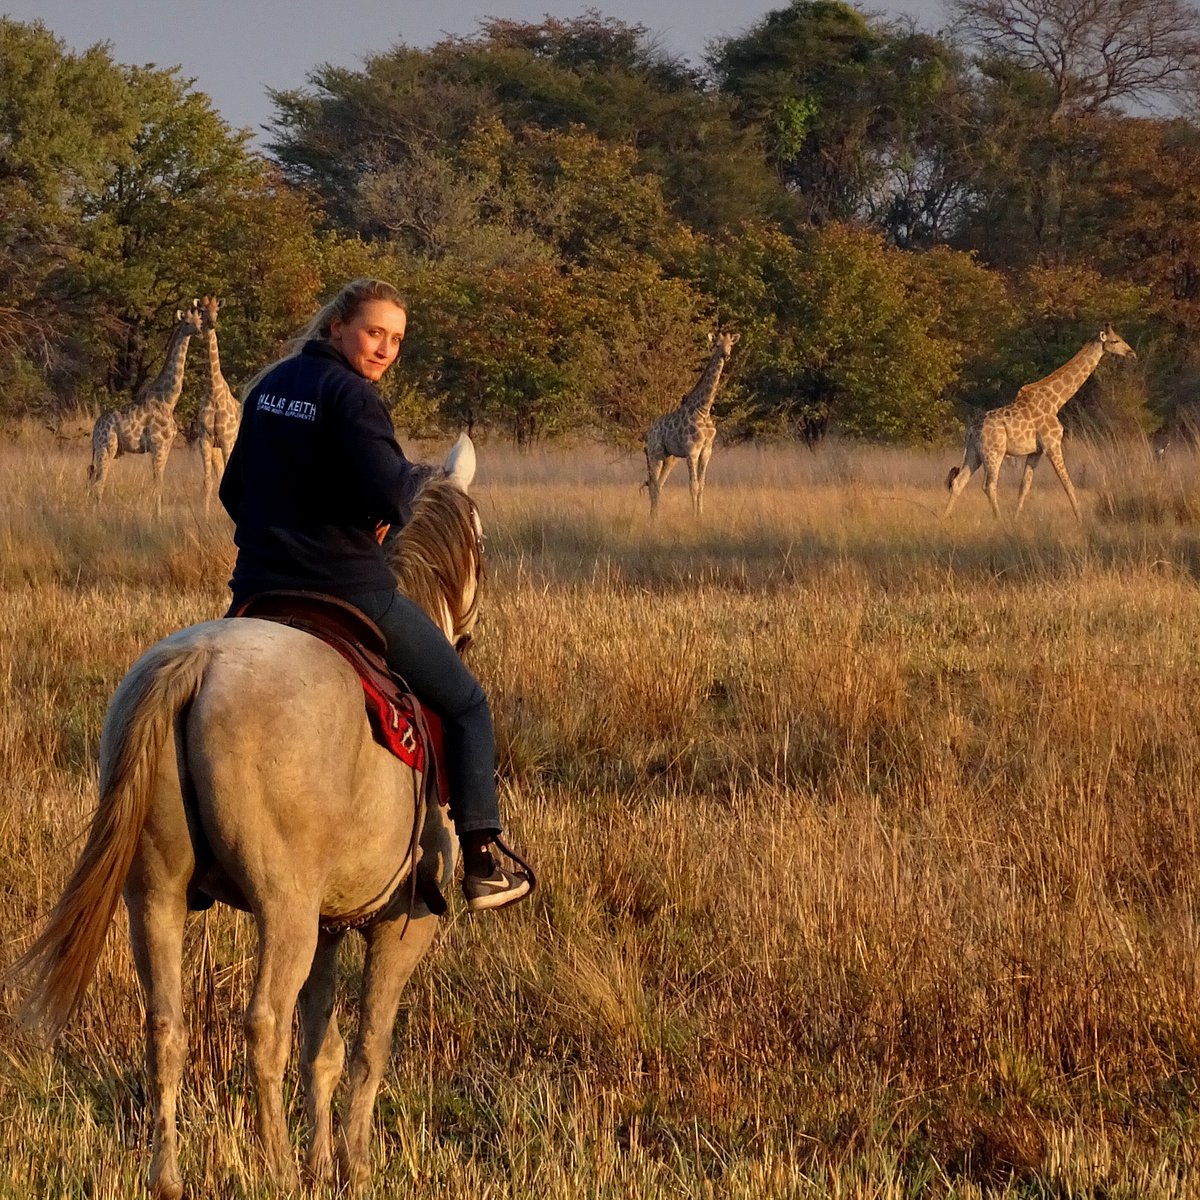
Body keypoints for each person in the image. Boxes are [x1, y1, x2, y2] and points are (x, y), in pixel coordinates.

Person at [219, 277, 533, 912]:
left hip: (257, 590)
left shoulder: (272, 387)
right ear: (338, 327)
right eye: (374, 332)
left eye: (396, 340)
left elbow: (231, 492)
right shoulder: (353, 397)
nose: (385, 348)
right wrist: (366, 519)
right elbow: (393, 497)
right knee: (469, 704)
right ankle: (480, 859)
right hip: (350, 588)